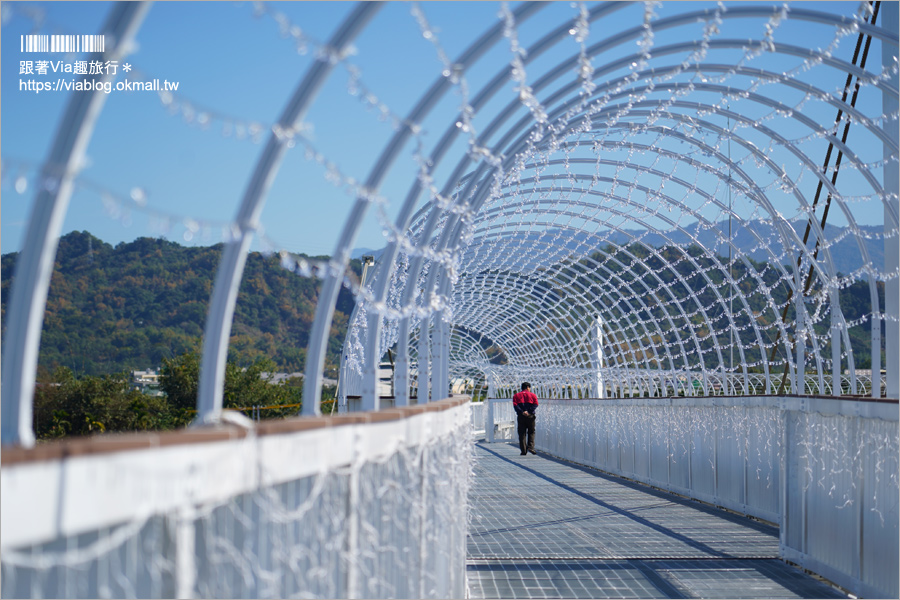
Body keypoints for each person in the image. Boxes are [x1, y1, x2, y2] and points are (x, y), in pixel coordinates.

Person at [513, 382, 539, 455]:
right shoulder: (533, 395)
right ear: (528, 387)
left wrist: (522, 412)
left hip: (521, 416)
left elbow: (515, 405)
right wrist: (529, 411)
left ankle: (523, 450)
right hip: (530, 416)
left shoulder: (516, 395)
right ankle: (530, 446)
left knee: (522, 433)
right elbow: (536, 404)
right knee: (531, 431)